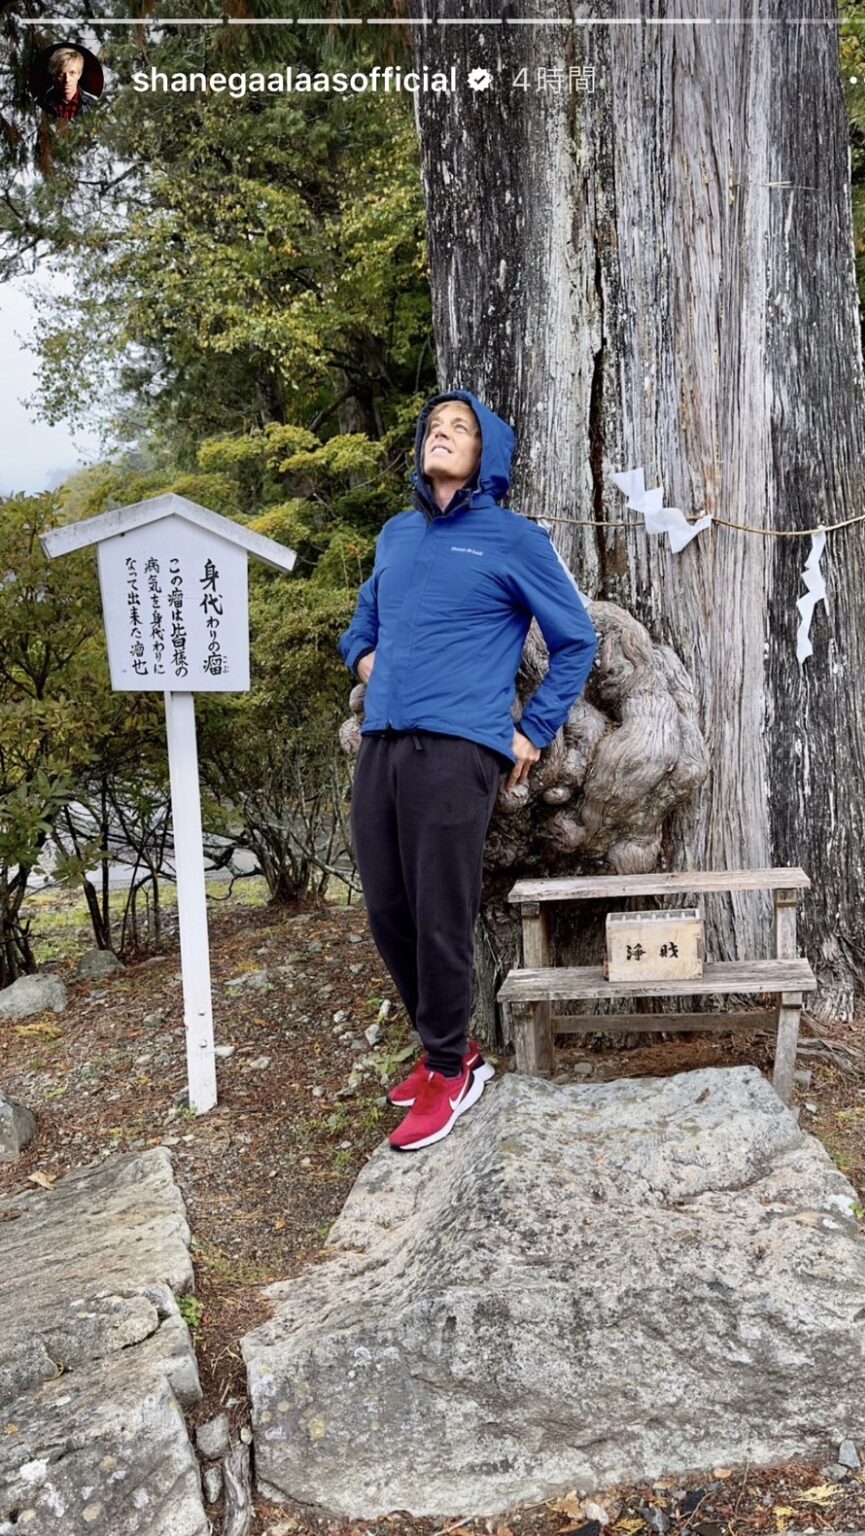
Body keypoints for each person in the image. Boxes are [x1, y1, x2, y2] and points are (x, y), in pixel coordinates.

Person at [338, 390, 598, 1152]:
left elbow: (574, 639)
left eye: (460, 429)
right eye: (433, 428)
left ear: (488, 453)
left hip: (458, 750)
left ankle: (451, 1069)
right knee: (387, 909)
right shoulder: (395, 534)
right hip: (382, 741)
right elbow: (360, 624)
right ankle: (445, 1047)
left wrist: (532, 732)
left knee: (439, 913)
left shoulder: (512, 539)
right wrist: (368, 658)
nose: (442, 436)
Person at [38, 46, 101, 121]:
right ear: (53, 76)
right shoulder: (41, 102)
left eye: (72, 73)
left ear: (79, 74)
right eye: (61, 74)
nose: (67, 80)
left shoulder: (92, 103)